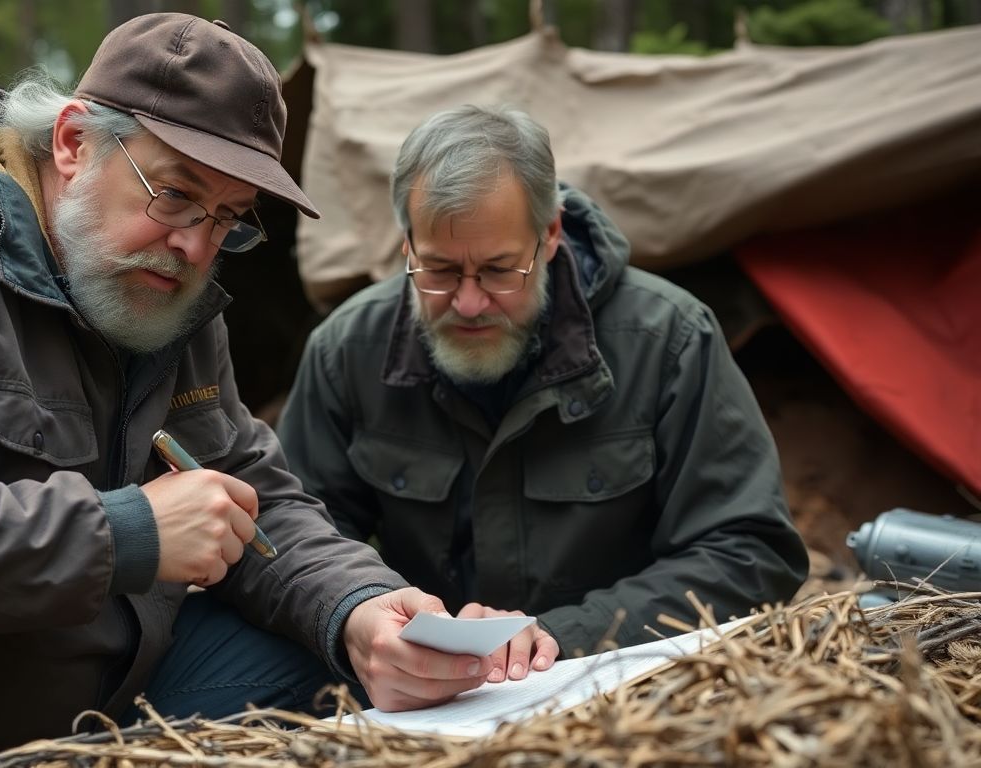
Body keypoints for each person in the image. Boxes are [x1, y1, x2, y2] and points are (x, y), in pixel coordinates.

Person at [0, 17, 556, 767]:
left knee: (338, 657)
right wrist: (127, 534)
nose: (193, 246)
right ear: (74, 142)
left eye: (227, 218)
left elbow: (256, 499)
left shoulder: (163, 294)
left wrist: (362, 612)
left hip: (97, 709)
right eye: (176, 194)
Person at [278, 104, 809, 660]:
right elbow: (298, 540)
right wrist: (367, 615)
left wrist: (564, 636)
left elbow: (749, 552)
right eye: (437, 270)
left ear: (550, 233)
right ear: (406, 244)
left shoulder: (669, 341)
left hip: (620, 689)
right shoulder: (346, 351)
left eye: (500, 270)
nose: (469, 302)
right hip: (416, 701)